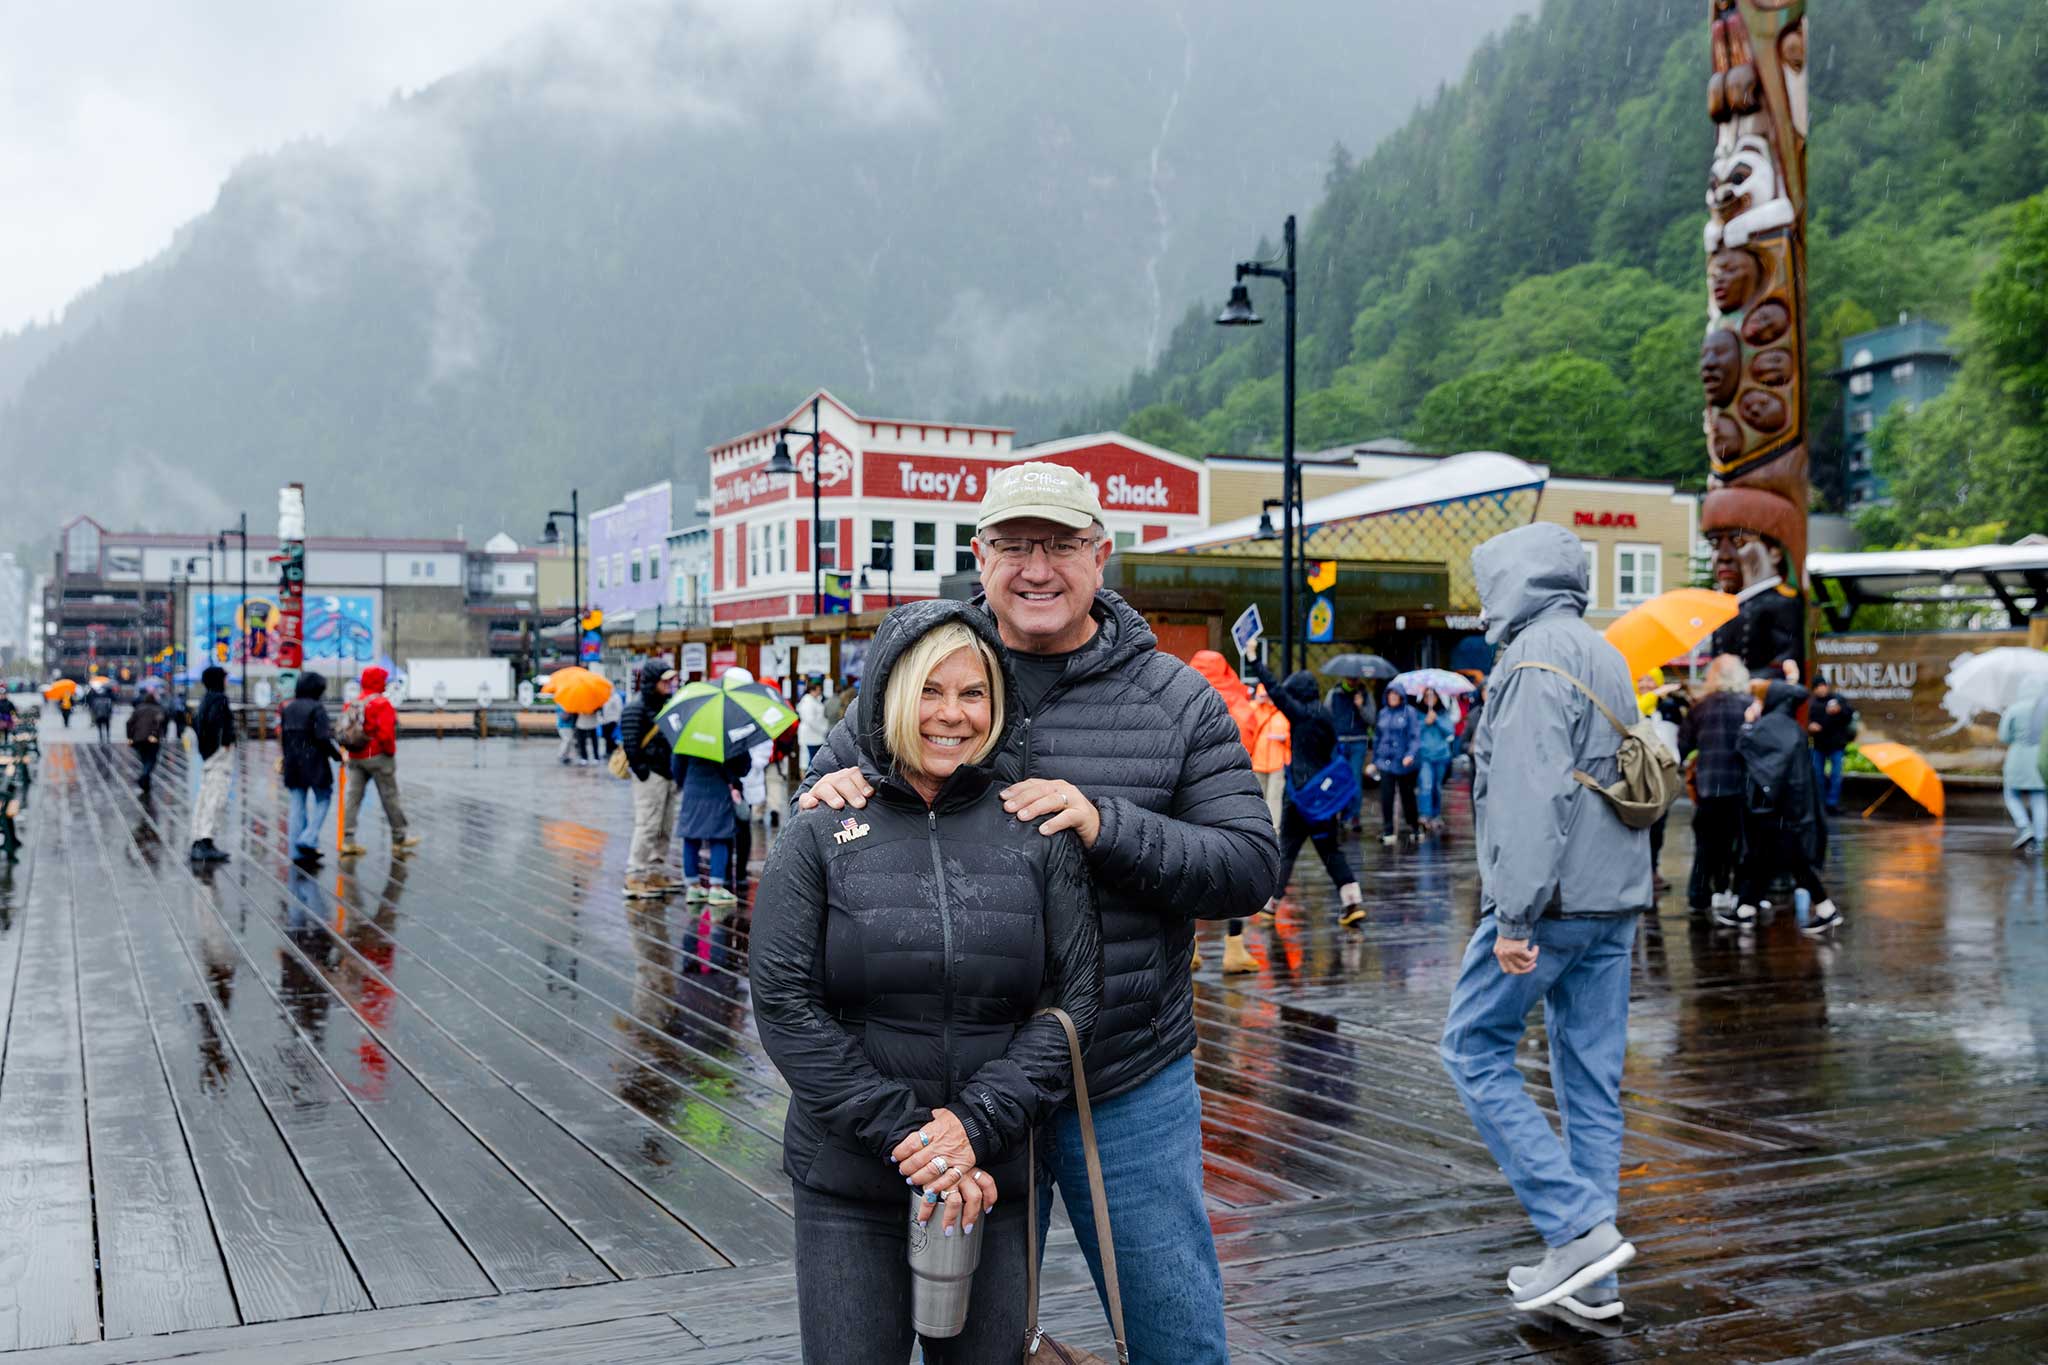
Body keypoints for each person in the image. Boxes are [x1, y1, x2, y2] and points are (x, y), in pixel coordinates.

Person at [799, 461, 1278, 1363]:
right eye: (1014, 545)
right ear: (980, 557)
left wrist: (1108, 825)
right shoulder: (926, 669)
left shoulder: (1173, 698)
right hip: (961, 1095)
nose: (1037, 567)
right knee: (971, 1344)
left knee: (1176, 1333)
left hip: (1122, 1076)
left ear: (1102, 554)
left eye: (1060, 544)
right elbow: (821, 802)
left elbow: (1250, 866)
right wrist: (823, 794)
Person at [752, 601, 1100, 1363]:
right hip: (851, 1183)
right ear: (891, 696)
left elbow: (1075, 1002)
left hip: (991, 1181)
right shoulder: (822, 827)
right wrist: (912, 1136)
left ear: (996, 704)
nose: (952, 714)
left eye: (973, 693)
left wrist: (974, 1126)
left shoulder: (1035, 832)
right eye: (930, 691)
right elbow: (782, 1003)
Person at [1439, 522, 1649, 1322]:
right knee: (1591, 1080)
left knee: (1472, 1047)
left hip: (1551, 900)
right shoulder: (1602, 651)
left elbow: (1532, 798)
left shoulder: (1528, 661)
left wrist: (1514, 916)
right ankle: (1594, 1278)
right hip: (1615, 898)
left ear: (1509, 584)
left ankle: (1576, 1227)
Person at [1249, 647, 1363, 926]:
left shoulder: (1300, 715)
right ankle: (1352, 903)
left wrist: (1254, 660)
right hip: (1323, 800)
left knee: (1287, 849)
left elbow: (1275, 690)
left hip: (1301, 797)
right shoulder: (1324, 714)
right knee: (1331, 851)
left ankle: (1271, 904)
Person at [1730, 680, 1841, 934]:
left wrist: (1748, 724)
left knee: (1789, 860)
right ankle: (1746, 908)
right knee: (1766, 858)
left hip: (1776, 808)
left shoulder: (1769, 726)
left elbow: (1745, 749)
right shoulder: (1790, 726)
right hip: (1791, 806)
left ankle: (1826, 908)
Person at [1188, 649, 1260, 972]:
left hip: (1189, 800)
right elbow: (1252, 747)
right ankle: (1234, 948)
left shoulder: (1182, 697)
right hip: (1232, 800)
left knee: (1187, 871)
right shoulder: (1242, 706)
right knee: (1236, 873)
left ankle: (1189, 948)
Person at [1679, 655, 1751, 917]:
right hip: (1740, 786)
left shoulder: (1701, 707)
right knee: (1739, 843)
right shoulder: (1749, 705)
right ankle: (1735, 893)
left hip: (1709, 786)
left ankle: (1699, 895)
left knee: (1706, 843)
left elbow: (1683, 746)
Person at [339, 665, 418, 857]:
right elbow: (386, 735)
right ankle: (399, 837)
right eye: (383, 679)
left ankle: (348, 839)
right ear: (377, 681)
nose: (385, 682)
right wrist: (389, 753)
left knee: (353, 798)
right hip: (377, 757)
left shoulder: (353, 703)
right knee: (390, 797)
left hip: (356, 756)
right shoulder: (382, 704)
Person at [620, 660, 681, 897]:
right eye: (664, 680)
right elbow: (631, 744)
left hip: (667, 773)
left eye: (671, 679)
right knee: (647, 824)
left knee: (664, 826)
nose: (669, 684)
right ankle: (635, 875)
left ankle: (655, 871)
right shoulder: (636, 708)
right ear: (652, 681)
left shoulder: (666, 705)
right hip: (651, 775)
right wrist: (643, 771)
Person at [280, 672, 343, 863]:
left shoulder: (288, 708)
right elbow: (322, 737)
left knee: (297, 804)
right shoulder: (317, 709)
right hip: (314, 762)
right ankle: (308, 838)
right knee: (324, 798)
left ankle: (297, 851)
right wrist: (337, 755)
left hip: (293, 762)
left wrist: (285, 758)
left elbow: (284, 737)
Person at [1635, 669, 1687, 890]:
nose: (1646, 683)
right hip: (1638, 774)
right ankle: (1636, 872)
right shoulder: (1632, 704)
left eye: (1650, 679)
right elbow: (1636, 711)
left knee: (1657, 826)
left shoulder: (1668, 707)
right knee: (1637, 826)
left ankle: (1652, 870)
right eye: (1641, 679)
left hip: (1663, 775)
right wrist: (1655, 696)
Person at [191, 665, 234, 862]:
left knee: (205, 796)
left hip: (209, 755)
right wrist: (223, 744)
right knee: (216, 797)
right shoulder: (219, 700)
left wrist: (205, 749)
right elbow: (216, 724)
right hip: (219, 755)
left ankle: (199, 838)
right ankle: (205, 841)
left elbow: (200, 724)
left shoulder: (206, 699)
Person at [1369, 683, 1421, 844]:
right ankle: (1388, 829)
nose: (1392, 698)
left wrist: (1410, 754)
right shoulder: (1383, 713)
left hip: (1404, 762)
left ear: (1400, 696)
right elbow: (1377, 738)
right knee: (1386, 796)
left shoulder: (1409, 713)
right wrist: (1374, 761)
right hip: (1386, 762)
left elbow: (1415, 737)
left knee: (1407, 797)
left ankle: (1414, 826)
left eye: (1395, 695)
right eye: (1390, 695)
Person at [1996, 687, 2046, 853]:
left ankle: (2024, 826)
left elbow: (2003, 736)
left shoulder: (2014, 708)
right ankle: (2040, 842)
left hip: (2018, 757)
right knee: (2039, 799)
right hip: (2040, 756)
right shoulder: (2045, 708)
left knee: (2011, 794)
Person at [1326, 677, 1374, 831]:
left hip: (1358, 741)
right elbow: (1326, 716)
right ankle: (1340, 815)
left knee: (1355, 780)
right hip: (1339, 741)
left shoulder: (1365, 695)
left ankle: (1354, 816)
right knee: (1339, 780)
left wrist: (1361, 706)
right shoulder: (1334, 693)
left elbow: (1372, 719)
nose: (1352, 680)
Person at [1806, 679, 1856, 814]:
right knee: (1817, 776)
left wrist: (1839, 710)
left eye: (1823, 686)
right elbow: (1807, 720)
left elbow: (1849, 714)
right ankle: (1821, 803)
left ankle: (1832, 803)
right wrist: (1811, 726)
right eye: (1818, 687)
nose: (1821, 689)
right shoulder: (1812, 703)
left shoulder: (1837, 699)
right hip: (1818, 744)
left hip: (1836, 744)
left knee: (1836, 775)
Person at [1248, 679, 1291, 830]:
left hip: (1277, 763)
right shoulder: (1255, 709)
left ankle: (1273, 830)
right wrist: (1257, 701)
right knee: (1258, 798)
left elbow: (1291, 736)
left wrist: (1285, 738)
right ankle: (1258, 828)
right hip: (1257, 761)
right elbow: (1246, 722)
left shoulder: (1283, 712)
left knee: (1274, 798)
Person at [1415, 687, 1458, 835]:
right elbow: (1413, 732)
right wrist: (1425, 722)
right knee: (1426, 785)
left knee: (1436, 787)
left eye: (1433, 696)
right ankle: (1424, 814)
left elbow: (1450, 731)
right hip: (1424, 755)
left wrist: (1437, 719)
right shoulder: (1418, 713)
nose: (1430, 699)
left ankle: (1436, 814)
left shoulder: (1442, 712)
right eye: (1427, 696)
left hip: (1441, 755)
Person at [126, 686, 167, 795]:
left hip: (138, 739)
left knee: (144, 760)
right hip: (152, 739)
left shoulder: (138, 709)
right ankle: (144, 777)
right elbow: (160, 723)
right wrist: (157, 734)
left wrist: (130, 737)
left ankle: (146, 783)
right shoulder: (158, 709)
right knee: (151, 760)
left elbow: (129, 723)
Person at [796, 679, 829, 770]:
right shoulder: (808, 701)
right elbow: (810, 720)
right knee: (811, 761)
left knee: (812, 760)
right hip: (811, 736)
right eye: (818, 689)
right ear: (812, 690)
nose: (820, 691)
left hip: (815, 736)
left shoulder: (814, 700)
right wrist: (823, 729)